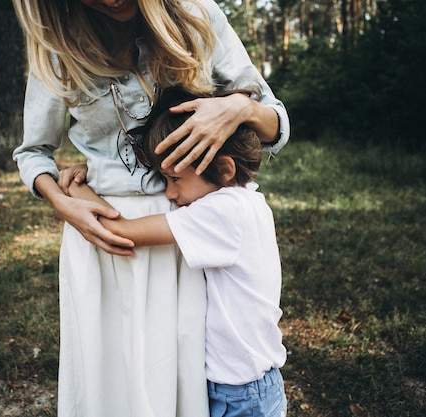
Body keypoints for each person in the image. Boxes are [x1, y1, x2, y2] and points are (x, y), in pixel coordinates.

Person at [11, 0, 290, 415]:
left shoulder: (196, 14)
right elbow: (33, 151)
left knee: (179, 381)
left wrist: (240, 107)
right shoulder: (57, 44)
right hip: (101, 233)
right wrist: (62, 201)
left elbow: (274, 125)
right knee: (112, 380)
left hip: (182, 233)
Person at [68, 86, 287, 417]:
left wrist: (75, 189)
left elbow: (121, 230)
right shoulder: (248, 202)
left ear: (224, 170)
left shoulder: (222, 212)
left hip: (240, 393)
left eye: (174, 179)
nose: (169, 193)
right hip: (252, 383)